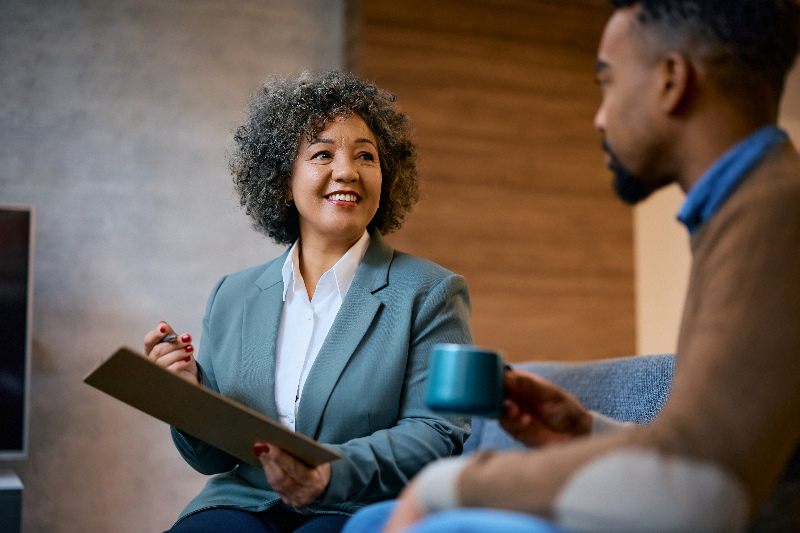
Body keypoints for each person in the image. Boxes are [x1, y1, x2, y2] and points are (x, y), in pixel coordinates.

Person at [342, 0, 800, 532]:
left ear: (671, 81)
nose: (599, 116)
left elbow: (702, 492)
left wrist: (445, 484)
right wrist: (584, 432)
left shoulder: (775, 215)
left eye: (607, 81)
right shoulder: (746, 206)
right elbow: (718, 450)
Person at [142, 70, 473, 533]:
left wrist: (330, 471)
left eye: (366, 156)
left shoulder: (430, 291)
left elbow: (436, 432)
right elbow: (210, 458)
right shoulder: (232, 294)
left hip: (358, 505)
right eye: (322, 154)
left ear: (387, 177)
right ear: (282, 179)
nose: (347, 171)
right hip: (247, 499)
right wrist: (186, 395)